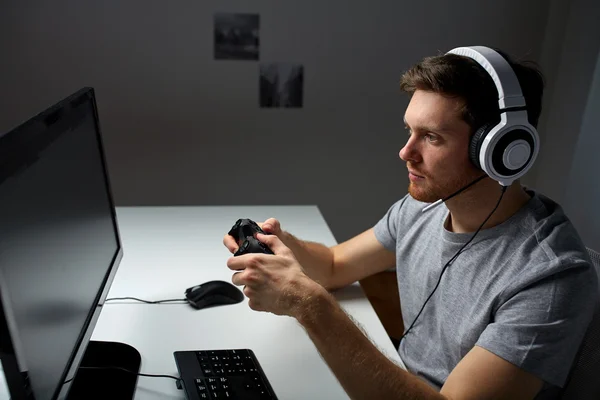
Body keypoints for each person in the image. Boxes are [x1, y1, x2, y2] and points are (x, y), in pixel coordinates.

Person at [222, 46, 598, 399]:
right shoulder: (425, 207)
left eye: (432, 137)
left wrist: (309, 305)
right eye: (409, 131)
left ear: (500, 150)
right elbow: (335, 266)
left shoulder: (550, 277)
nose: (406, 152)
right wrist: (280, 243)